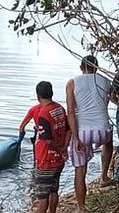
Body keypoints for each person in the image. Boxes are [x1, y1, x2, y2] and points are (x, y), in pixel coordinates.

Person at [66, 55, 114, 212]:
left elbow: (71, 112)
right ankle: (104, 176)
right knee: (108, 142)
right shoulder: (105, 81)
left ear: (81, 68)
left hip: (82, 132)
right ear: (96, 67)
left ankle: (82, 207)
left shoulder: (72, 83)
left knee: (80, 170)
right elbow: (108, 100)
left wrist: (75, 136)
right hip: (102, 130)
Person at [31, 81, 70, 213]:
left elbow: (47, 140)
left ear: (38, 96)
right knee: (54, 190)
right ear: (51, 93)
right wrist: (64, 148)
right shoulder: (60, 108)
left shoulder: (43, 114)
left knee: (42, 196)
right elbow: (68, 130)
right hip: (58, 160)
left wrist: (60, 149)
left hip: (45, 160)